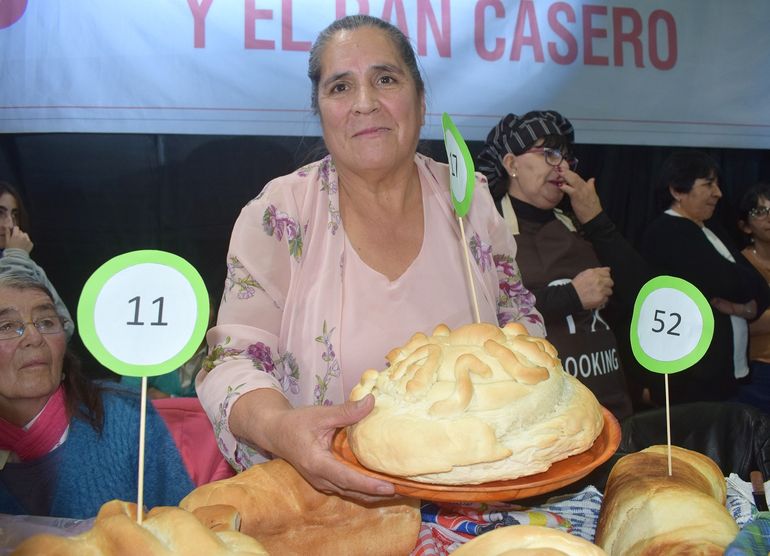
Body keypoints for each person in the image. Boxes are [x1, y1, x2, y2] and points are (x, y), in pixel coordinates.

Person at [196, 14, 544, 502]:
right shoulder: (280, 213)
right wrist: (279, 429)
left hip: (477, 496)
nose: (365, 103)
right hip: (327, 508)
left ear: (421, 101)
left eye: (385, 79)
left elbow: (517, 314)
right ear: (320, 110)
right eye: (340, 87)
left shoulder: (470, 199)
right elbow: (233, 360)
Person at [476, 111, 650, 420]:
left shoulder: (576, 221)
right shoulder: (485, 229)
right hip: (546, 409)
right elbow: (484, 317)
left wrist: (597, 221)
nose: (564, 166)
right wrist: (571, 296)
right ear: (511, 163)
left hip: (612, 401)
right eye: (550, 153)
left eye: (567, 157)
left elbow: (645, 295)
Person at [0, 274, 193, 518]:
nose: (34, 338)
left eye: (46, 322)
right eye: (6, 326)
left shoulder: (128, 416)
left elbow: (185, 525)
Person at [640, 151, 770, 405]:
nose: (718, 193)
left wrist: (743, 306)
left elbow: (759, 288)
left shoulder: (711, 229)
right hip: (696, 378)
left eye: (717, 184)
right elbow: (729, 283)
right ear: (678, 190)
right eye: (708, 184)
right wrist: (745, 299)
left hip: (728, 374)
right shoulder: (667, 232)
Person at [0, 181, 74, 341]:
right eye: (0, 213)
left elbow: (65, 327)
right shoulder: (18, 258)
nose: (10, 224)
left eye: (15, 215)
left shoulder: (28, 265)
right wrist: (15, 258)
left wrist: (16, 258)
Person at [736, 182, 770, 413]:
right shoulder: (740, 264)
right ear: (745, 226)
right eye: (760, 212)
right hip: (760, 370)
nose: (769, 217)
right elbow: (744, 323)